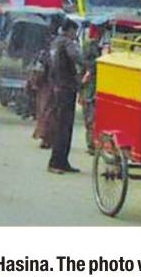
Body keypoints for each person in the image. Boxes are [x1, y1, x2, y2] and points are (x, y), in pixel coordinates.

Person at [47, 19, 82, 174]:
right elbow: (77, 57)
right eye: (75, 31)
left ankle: (62, 161)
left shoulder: (55, 43)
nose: (76, 34)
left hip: (57, 86)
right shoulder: (67, 43)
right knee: (64, 127)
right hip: (66, 87)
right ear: (70, 30)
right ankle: (55, 162)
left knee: (61, 125)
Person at [81, 25, 104, 153]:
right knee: (90, 118)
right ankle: (92, 144)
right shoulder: (91, 46)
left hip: (93, 88)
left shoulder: (93, 45)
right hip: (90, 88)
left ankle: (93, 144)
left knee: (91, 117)